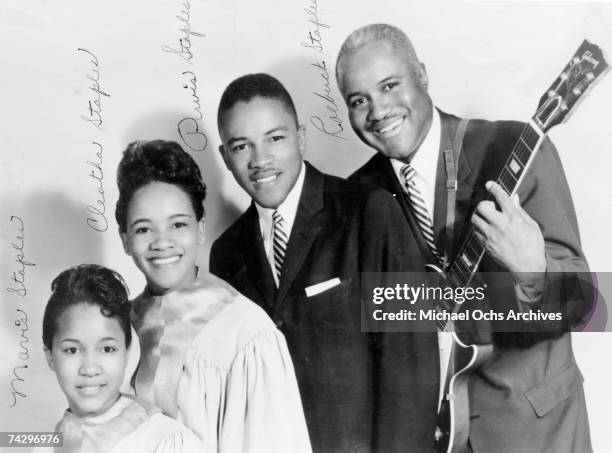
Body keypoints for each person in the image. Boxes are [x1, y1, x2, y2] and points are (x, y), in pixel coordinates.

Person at [335, 23, 593, 453]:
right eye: (358, 100)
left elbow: (586, 304)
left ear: (422, 74)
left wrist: (535, 268)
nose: (377, 111)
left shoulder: (516, 149)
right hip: (432, 438)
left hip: (537, 431)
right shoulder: (358, 196)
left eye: (390, 85)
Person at [209, 73, 439, 452]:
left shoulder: (368, 211)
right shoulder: (226, 253)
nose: (260, 160)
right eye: (241, 146)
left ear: (300, 137)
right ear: (225, 158)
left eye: (275, 138)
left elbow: (411, 367)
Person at [115, 140, 311, 452]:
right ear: (125, 240)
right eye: (143, 230)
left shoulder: (246, 334)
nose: (162, 242)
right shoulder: (117, 327)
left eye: (178, 224)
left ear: (200, 228)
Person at [42, 264, 204, 453]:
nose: (90, 368)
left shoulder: (166, 441)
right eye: (72, 350)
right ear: (50, 356)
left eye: (107, 349)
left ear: (126, 352)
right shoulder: (45, 445)